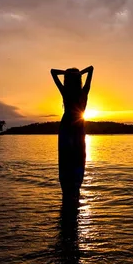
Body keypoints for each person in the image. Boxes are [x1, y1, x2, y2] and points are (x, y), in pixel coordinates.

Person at [50, 66, 94, 198]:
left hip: (68, 127)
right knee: (77, 158)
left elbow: (53, 72)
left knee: (69, 159)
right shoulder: (83, 92)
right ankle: (74, 191)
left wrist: (68, 74)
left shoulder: (67, 92)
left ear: (67, 80)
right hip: (78, 128)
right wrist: (78, 74)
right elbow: (91, 69)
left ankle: (68, 193)